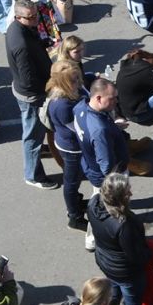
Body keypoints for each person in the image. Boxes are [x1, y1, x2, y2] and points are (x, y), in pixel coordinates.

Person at [87, 174, 153, 305]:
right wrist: (148, 255)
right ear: (119, 198)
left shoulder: (93, 204)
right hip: (126, 271)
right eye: (127, 192)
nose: (130, 193)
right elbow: (135, 255)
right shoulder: (124, 224)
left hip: (106, 262)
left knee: (113, 293)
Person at [6, 0, 60, 190]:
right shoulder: (21, 45)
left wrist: (44, 43)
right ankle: (33, 175)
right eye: (30, 17)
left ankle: (40, 154)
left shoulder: (18, 28)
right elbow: (29, 80)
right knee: (33, 135)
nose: (36, 19)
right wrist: (52, 86)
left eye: (36, 14)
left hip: (27, 90)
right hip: (32, 96)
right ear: (18, 17)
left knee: (37, 131)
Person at [48, 60, 93, 231]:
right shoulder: (62, 104)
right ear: (63, 82)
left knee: (74, 179)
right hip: (72, 147)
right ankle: (74, 217)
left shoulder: (73, 92)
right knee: (71, 181)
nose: (78, 82)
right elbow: (79, 127)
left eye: (77, 77)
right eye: (73, 80)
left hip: (74, 144)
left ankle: (76, 201)